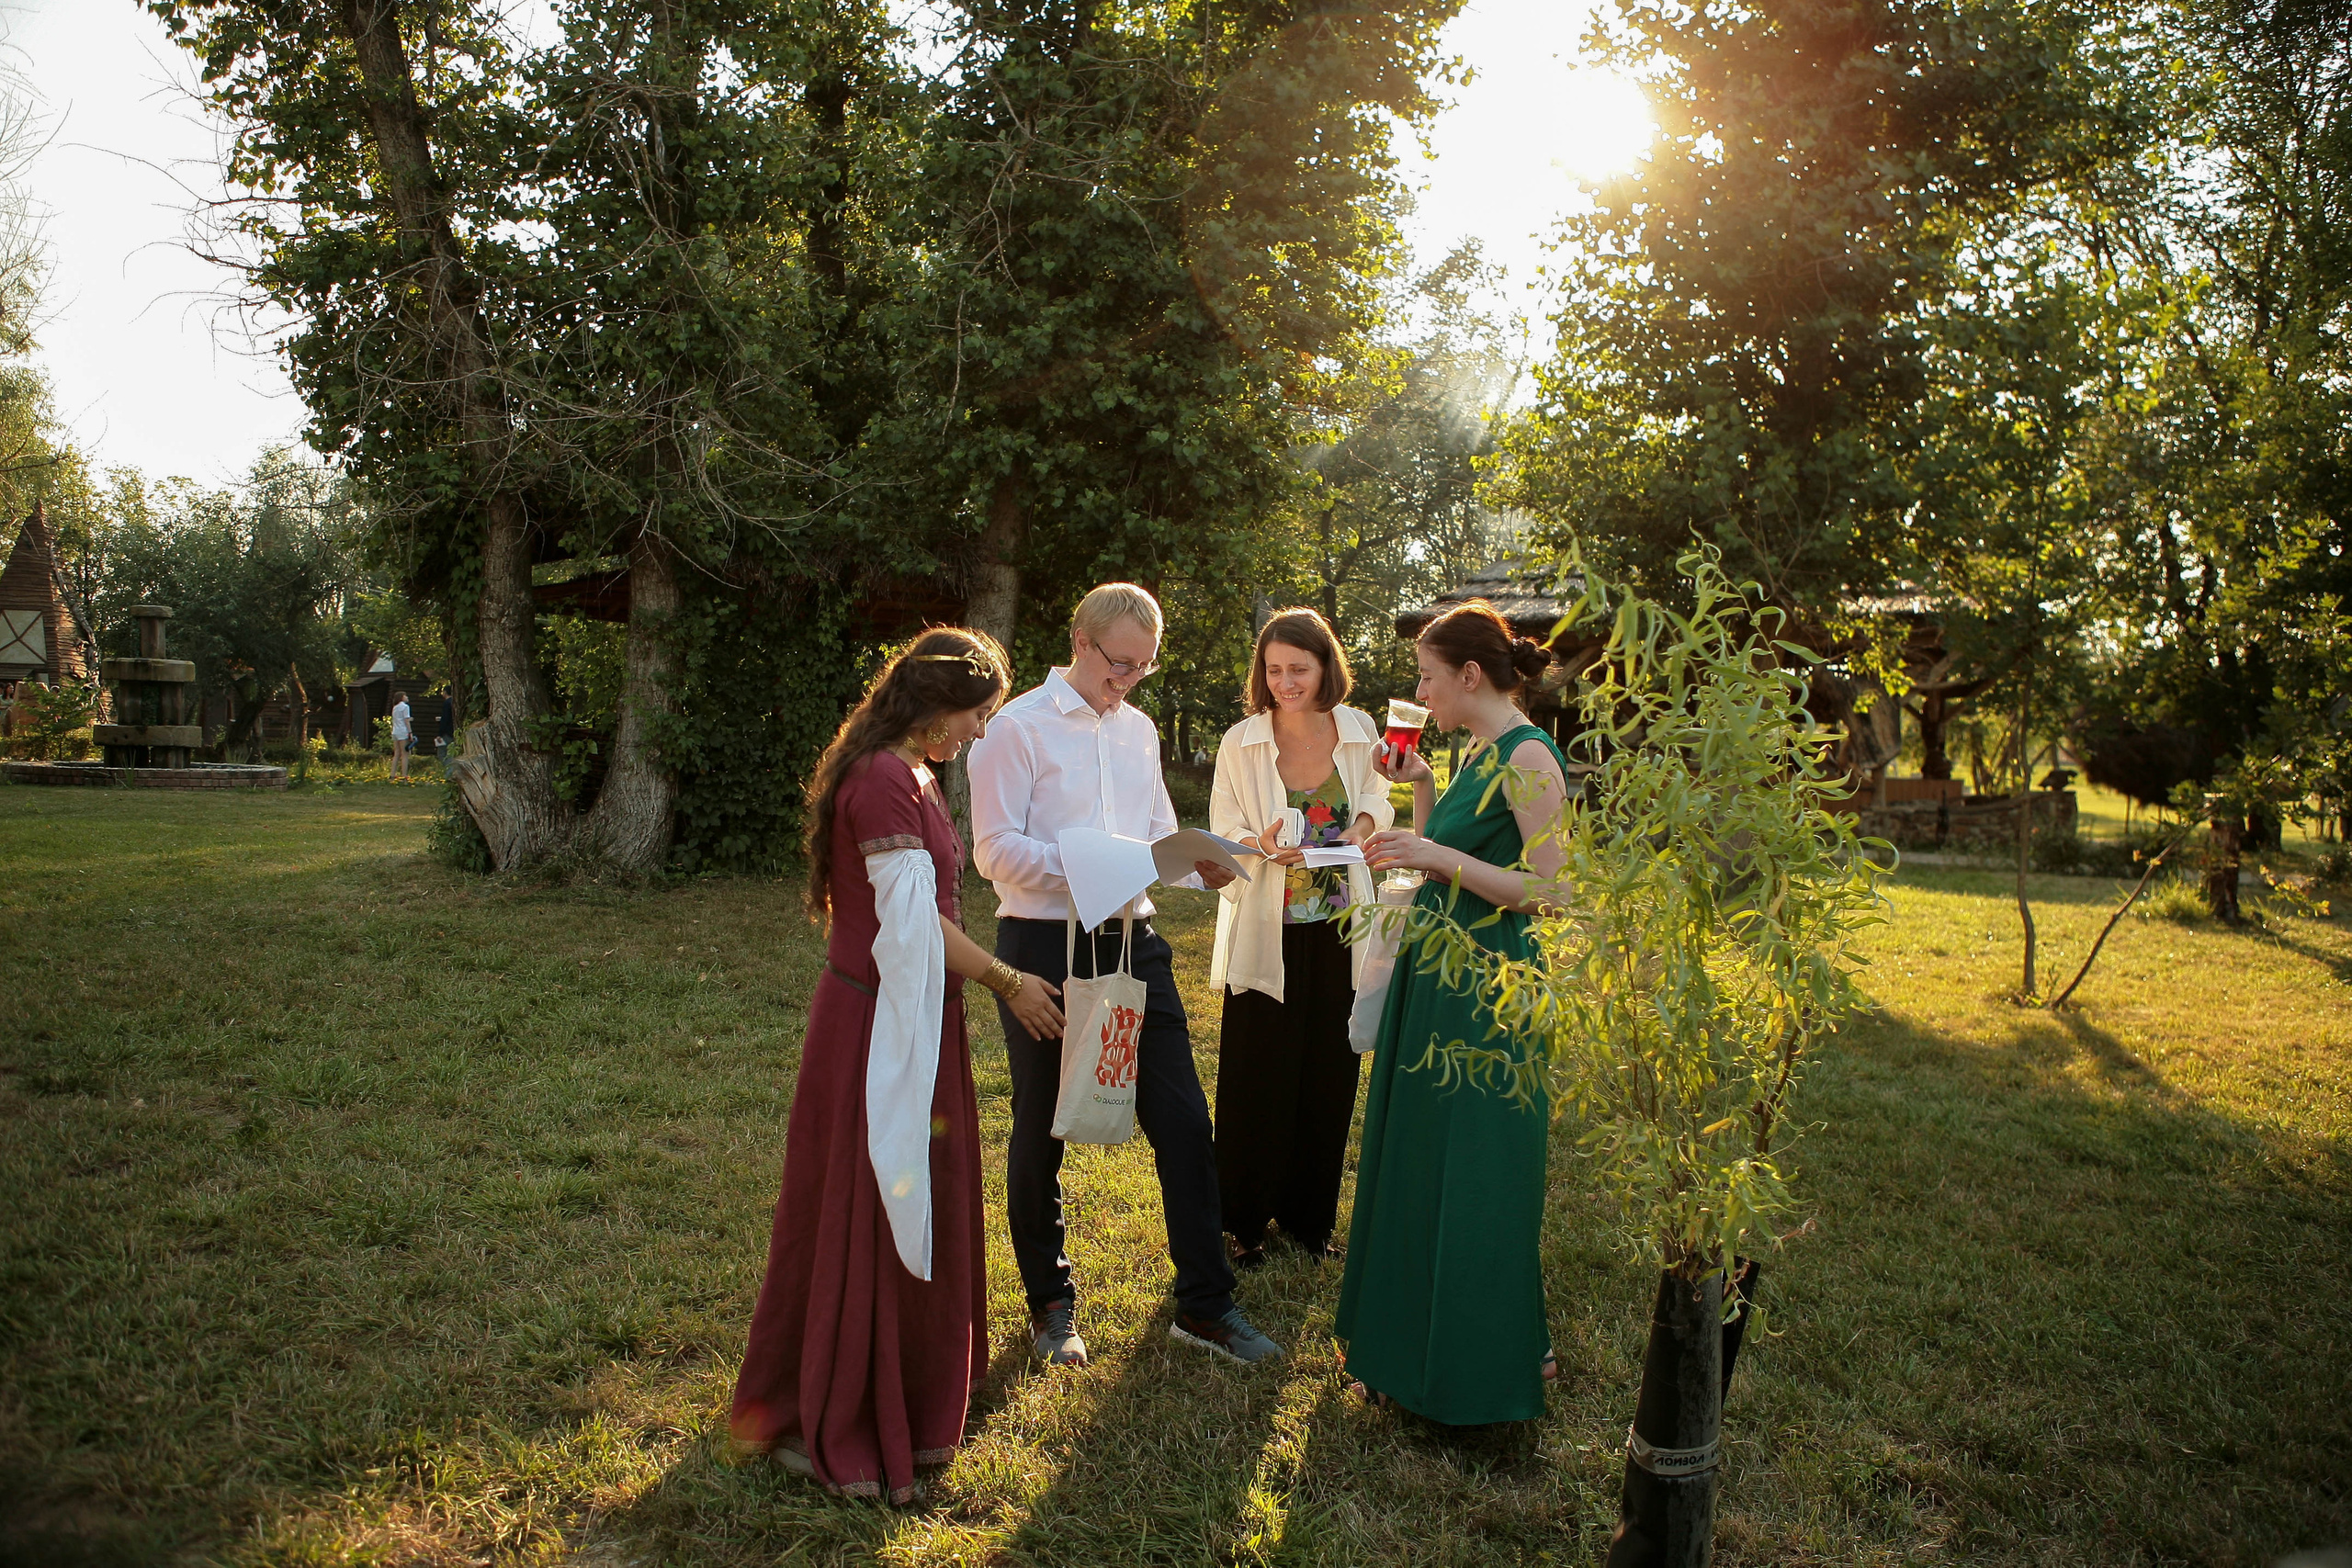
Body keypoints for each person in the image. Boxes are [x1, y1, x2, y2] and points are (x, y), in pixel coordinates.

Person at [730, 627, 1063, 1505]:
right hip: (877, 1027)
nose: (980, 732)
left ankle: (910, 1393)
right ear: (935, 704)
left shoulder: (912, 768)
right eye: (976, 714)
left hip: (916, 1017)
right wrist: (1009, 979)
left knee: (911, 1190)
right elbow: (911, 925)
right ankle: (843, 1407)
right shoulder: (883, 777)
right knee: (871, 1199)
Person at [967, 582, 1282, 1368]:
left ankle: (1205, 1305)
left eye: (1144, 666)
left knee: (1183, 1120)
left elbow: (1157, 841)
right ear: (1080, 640)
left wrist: (1200, 867)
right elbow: (993, 851)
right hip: (1044, 945)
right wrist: (1095, 864)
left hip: (1135, 941)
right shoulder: (1015, 728)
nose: (1131, 679)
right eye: (1119, 663)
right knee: (1044, 1124)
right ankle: (1051, 1305)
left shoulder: (1139, 730)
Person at [1339, 599, 1570, 1426]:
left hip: (1488, 986)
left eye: (1427, 678)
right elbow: (1454, 852)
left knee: (1476, 1169)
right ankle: (1437, 1345)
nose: (1420, 693)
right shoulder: (1475, 750)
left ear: (1471, 675)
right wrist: (1423, 793)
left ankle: (1479, 1363)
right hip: (1439, 971)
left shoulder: (1529, 756)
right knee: (1426, 1157)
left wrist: (1433, 851)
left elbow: (1551, 889)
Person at [1207, 608, 1393, 1268]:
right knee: (1256, 1075)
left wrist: (1362, 824)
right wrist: (1258, 841)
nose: (1285, 682)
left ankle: (1311, 1222)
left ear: (1325, 669)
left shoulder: (1359, 730)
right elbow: (1223, 827)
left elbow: (1379, 797)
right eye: (1274, 669)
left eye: (1299, 669)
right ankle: (1243, 1223)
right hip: (1269, 931)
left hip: (1343, 929)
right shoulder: (1241, 741)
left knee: (1329, 1074)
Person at [389, 691, 413, 779]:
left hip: (395, 731)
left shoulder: (395, 707)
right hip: (403, 731)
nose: (407, 697)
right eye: (405, 696)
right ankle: (404, 775)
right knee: (405, 754)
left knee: (397, 753)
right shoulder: (405, 707)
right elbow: (406, 721)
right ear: (402, 697)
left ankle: (392, 774)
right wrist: (410, 732)